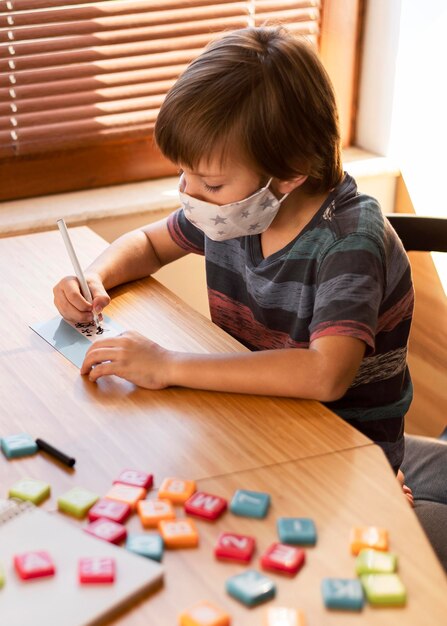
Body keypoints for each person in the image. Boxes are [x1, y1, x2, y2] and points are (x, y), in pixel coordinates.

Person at [53, 26, 414, 476]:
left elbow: (325, 375)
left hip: (345, 456)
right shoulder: (237, 210)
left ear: (291, 172)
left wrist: (167, 363)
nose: (189, 191)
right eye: (184, 172)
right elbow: (148, 243)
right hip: (255, 415)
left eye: (211, 182)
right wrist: (95, 276)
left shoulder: (348, 241)